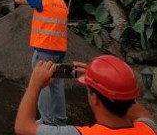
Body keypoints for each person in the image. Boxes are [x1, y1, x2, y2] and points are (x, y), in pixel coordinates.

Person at [15, 55, 157, 134]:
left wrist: (35, 84)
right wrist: (101, 77)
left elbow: (23, 126)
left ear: (95, 99)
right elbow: (131, 101)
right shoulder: (149, 129)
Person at [15, 0, 69, 125]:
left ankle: (48, 121)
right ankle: (60, 119)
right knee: (57, 84)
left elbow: (18, 0)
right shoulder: (60, 1)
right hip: (60, 49)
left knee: (42, 83)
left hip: (45, 49)